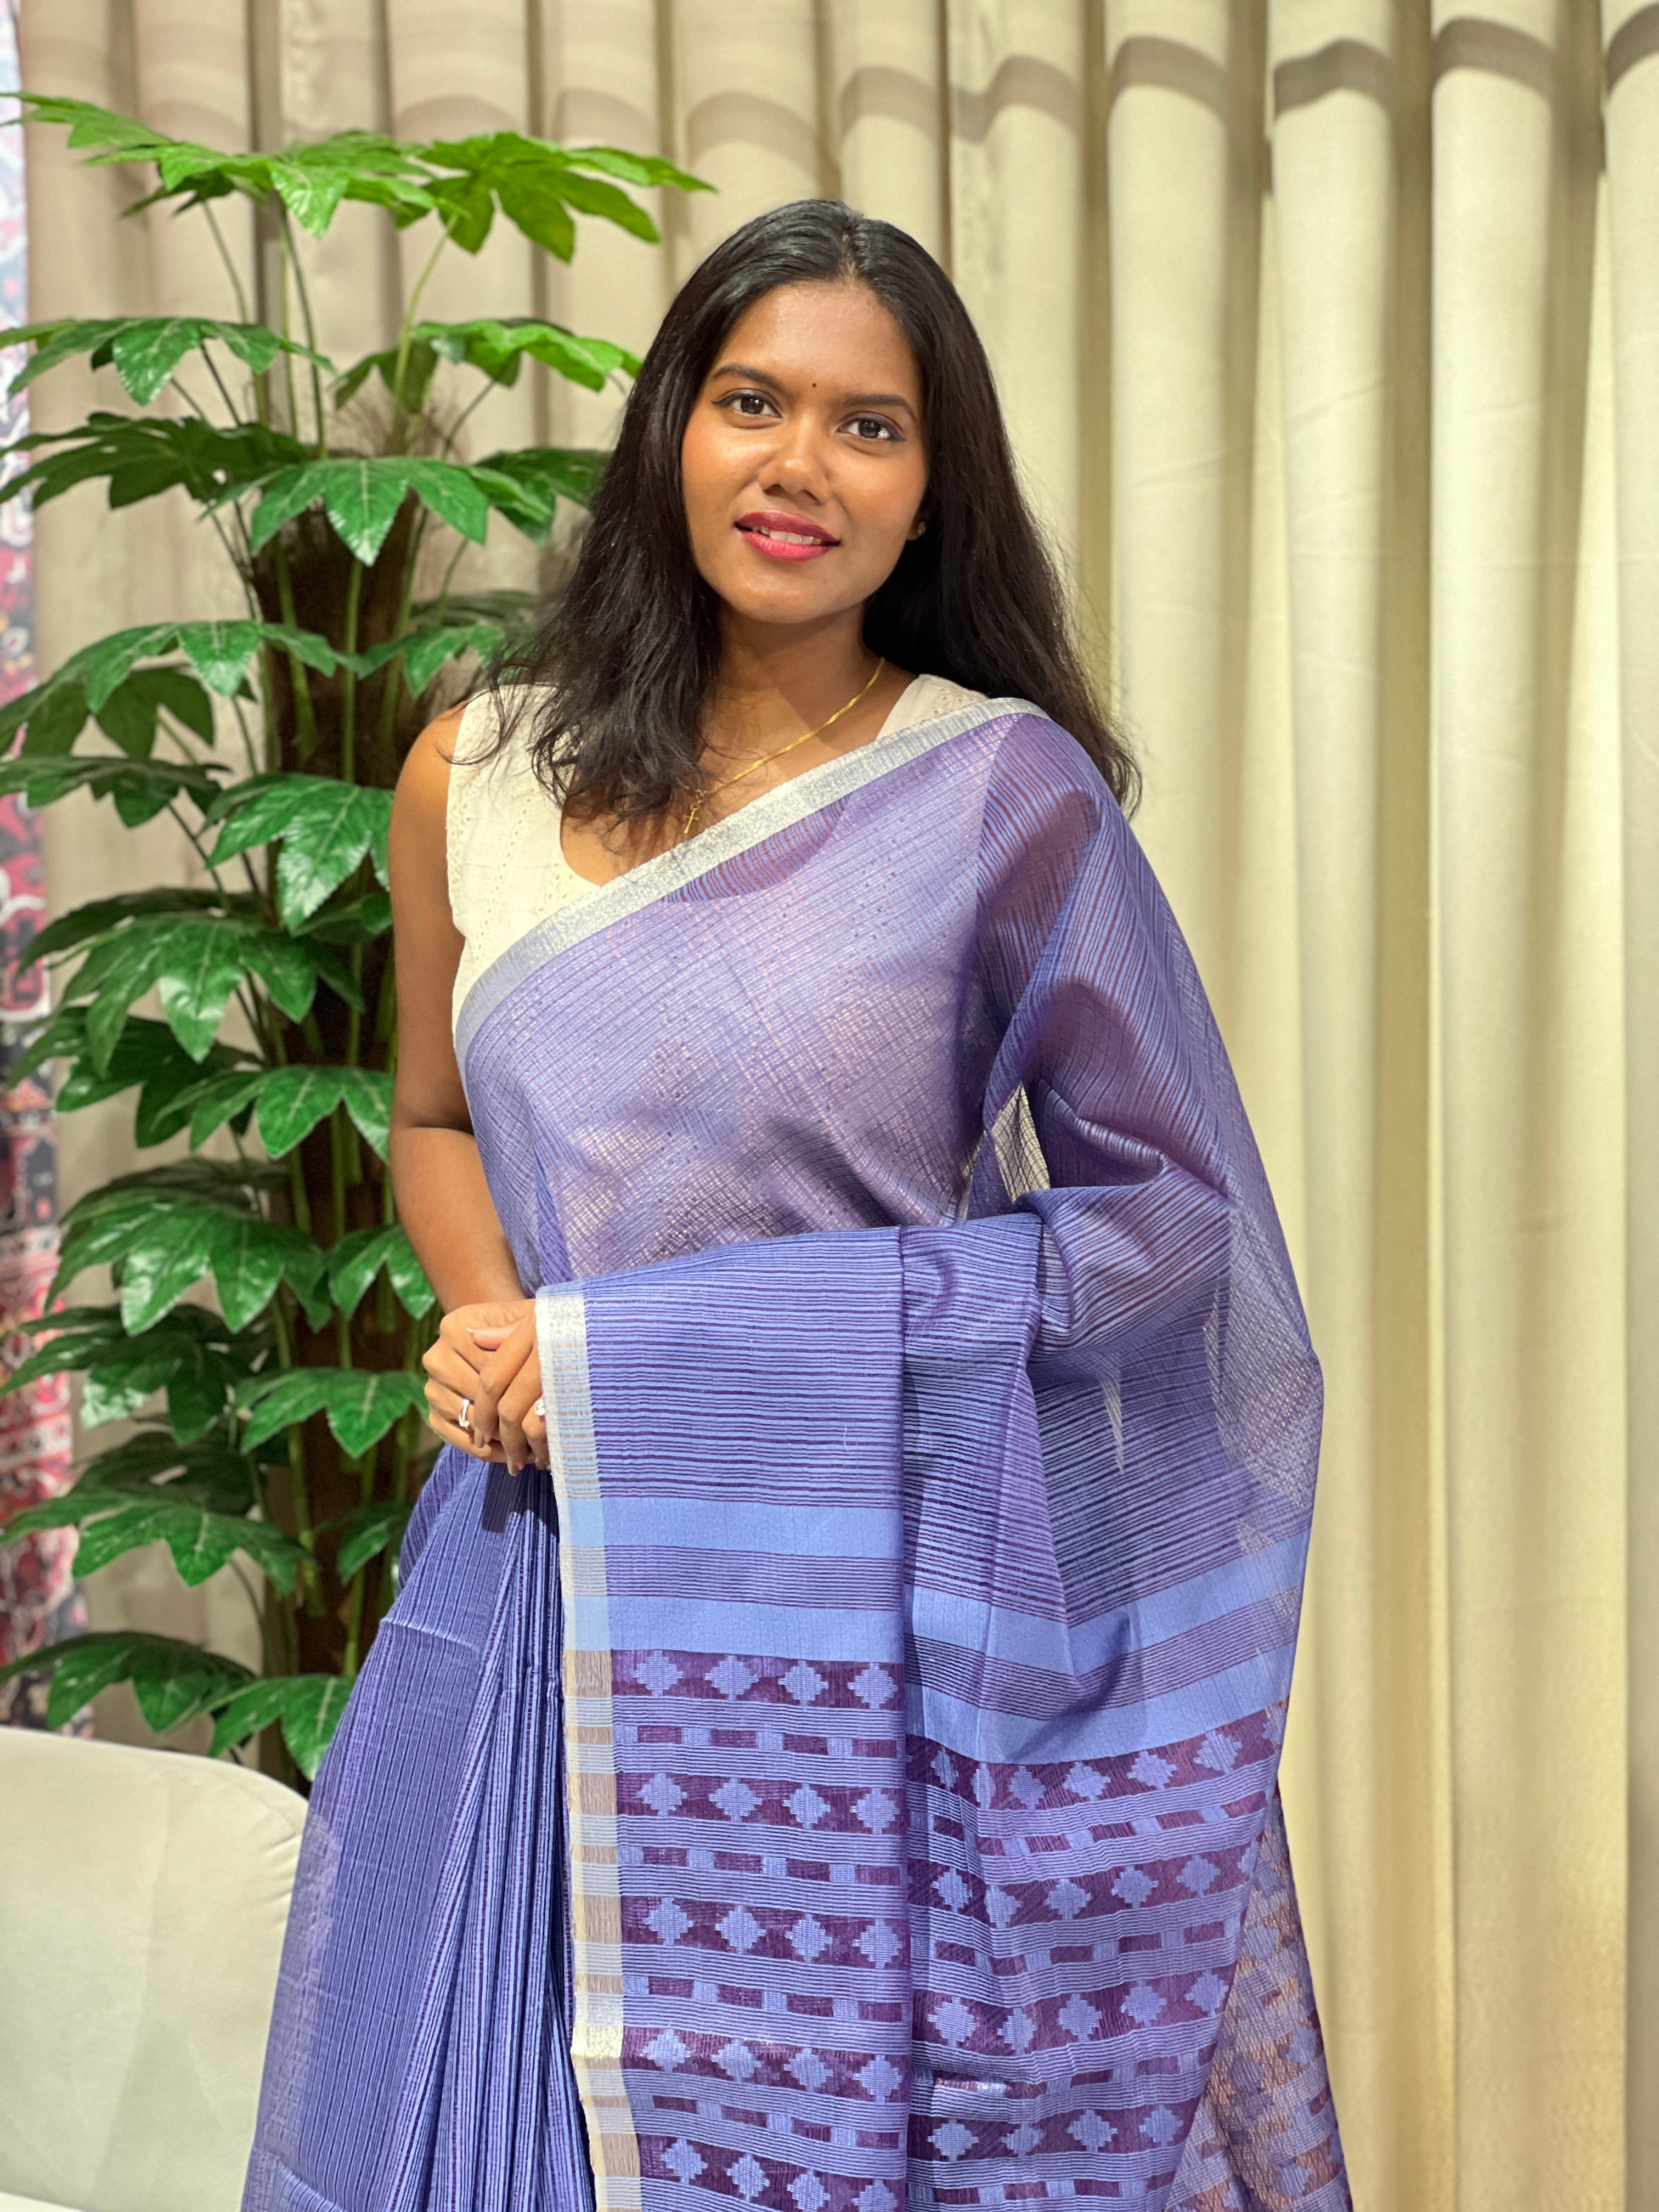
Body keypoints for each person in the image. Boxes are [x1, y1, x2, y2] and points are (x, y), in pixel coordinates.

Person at [244, 200, 1349, 2212]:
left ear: (932, 492)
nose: (800, 465)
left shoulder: (997, 791)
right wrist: (491, 1326)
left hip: (865, 1601)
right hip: (538, 1566)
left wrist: (694, 1349)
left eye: (870, 426)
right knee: (485, 2121)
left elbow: (1171, 1222)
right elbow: (432, 1113)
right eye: (753, 401)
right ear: (673, 425)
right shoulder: (471, 771)